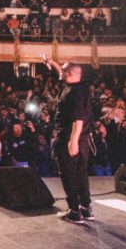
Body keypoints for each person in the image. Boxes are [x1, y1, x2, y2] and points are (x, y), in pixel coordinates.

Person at [43, 55, 93, 224]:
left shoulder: (73, 93)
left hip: (69, 138)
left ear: (69, 73)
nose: (60, 71)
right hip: (83, 139)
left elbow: (78, 119)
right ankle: (86, 208)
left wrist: (73, 141)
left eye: (63, 70)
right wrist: (52, 63)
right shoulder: (81, 86)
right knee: (81, 173)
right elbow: (65, 71)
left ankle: (74, 211)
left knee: (68, 175)